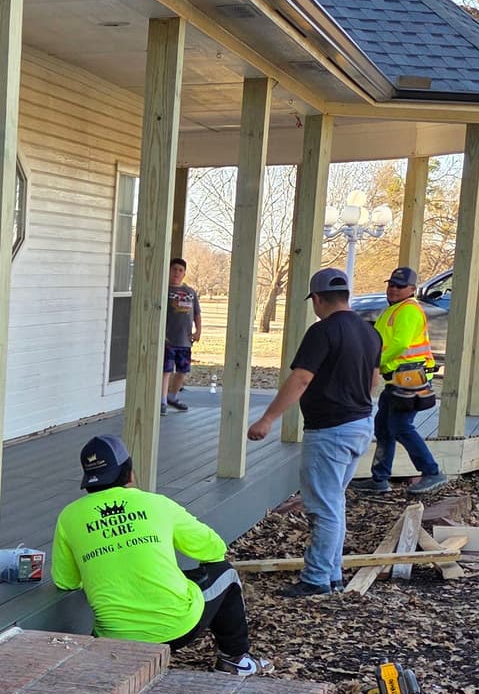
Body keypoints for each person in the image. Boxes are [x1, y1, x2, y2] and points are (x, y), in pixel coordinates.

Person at [28, 430, 268, 671]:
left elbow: (66, 581)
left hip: (115, 637)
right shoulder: (156, 503)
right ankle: (235, 661)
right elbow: (214, 549)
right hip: (177, 628)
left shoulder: (69, 516)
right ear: (129, 474)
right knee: (225, 573)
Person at [247, 267, 381, 597]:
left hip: (331, 431)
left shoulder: (322, 333)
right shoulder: (370, 332)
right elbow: (374, 381)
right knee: (333, 503)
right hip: (360, 426)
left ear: (318, 299)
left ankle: (317, 579)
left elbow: (301, 379)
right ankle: (332, 573)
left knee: (323, 507)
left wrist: (267, 419)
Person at [368, 265, 444, 495]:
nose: (393, 289)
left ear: (411, 289)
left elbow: (400, 343)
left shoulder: (409, 310)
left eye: (399, 286)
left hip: (411, 379)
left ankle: (431, 472)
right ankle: (379, 479)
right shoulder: (394, 309)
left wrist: (375, 363)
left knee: (400, 426)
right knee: (383, 427)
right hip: (398, 379)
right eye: (391, 284)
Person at [164, 257, 203, 411]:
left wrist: (198, 330)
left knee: (182, 370)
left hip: (185, 340)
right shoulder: (165, 291)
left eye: (180, 270)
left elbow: (197, 314)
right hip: (168, 340)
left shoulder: (190, 292)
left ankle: (172, 396)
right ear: (170, 271)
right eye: (174, 269)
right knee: (166, 370)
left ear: (184, 274)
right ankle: (162, 401)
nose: (177, 273)